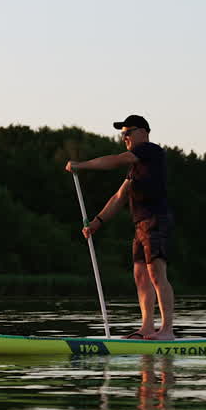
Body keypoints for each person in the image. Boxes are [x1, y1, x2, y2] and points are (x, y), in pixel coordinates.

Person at [64, 114, 176, 340]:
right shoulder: (135, 168)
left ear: (143, 132)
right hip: (140, 224)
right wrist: (96, 223)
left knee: (156, 272)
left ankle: (167, 330)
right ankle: (146, 328)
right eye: (122, 134)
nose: (124, 137)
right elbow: (119, 196)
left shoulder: (150, 150)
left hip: (156, 219)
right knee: (140, 275)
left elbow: (115, 160)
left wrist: (81, 166)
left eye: (128, 132)